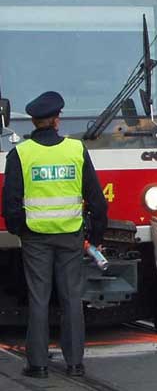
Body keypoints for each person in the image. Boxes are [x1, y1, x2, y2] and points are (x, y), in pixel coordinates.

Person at [1, 91, 107, 379]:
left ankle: (38, 365)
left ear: (34, 122)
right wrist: (96, 236)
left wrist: (19, 229)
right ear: (57, 120)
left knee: (39, 298)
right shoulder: (75, 150)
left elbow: (10, 202)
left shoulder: (21, 153)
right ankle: (75, 364)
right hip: (71, 236)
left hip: (35, 238)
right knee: (72, 298)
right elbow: (96, 199)